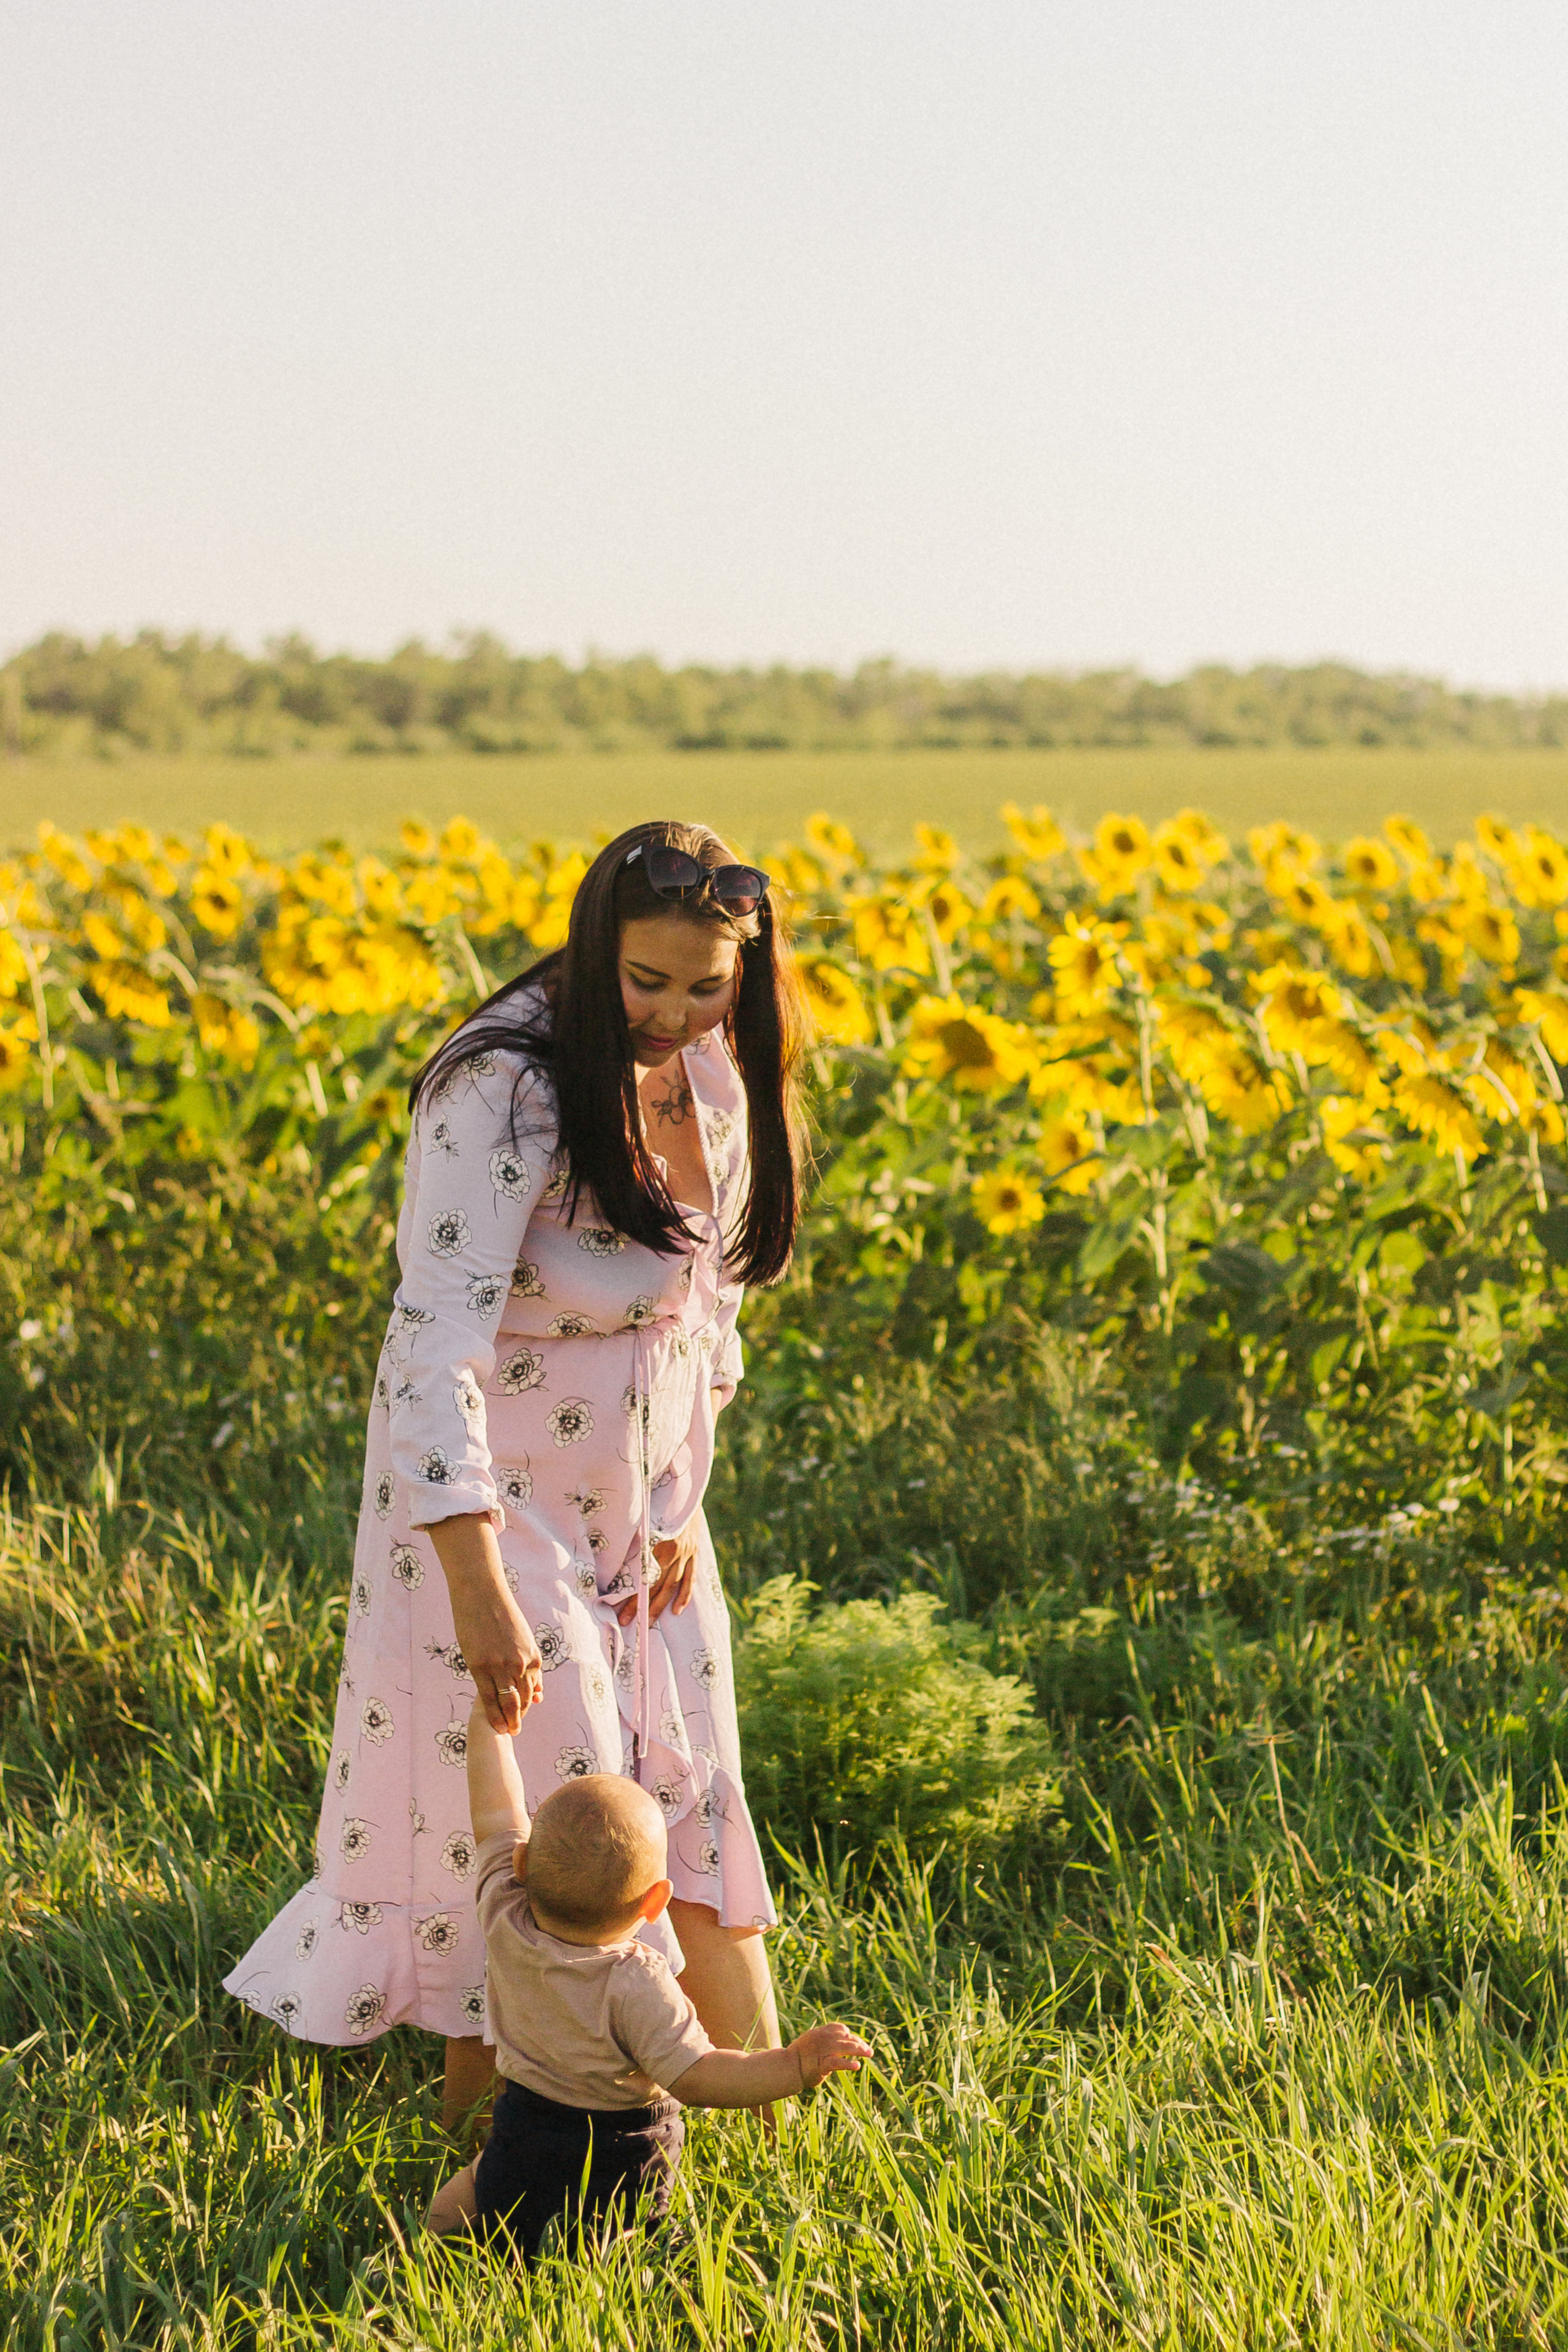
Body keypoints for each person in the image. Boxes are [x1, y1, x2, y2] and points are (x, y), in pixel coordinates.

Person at [224, 820, 808, 2131]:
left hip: (644, 1506)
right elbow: (433, 1339)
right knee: (558, 1812)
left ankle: (768, 2126)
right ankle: (507, 2138)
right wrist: (474, 1579)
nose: (670, 1012)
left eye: (703, 985)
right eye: (642, 982)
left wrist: (682, 1503)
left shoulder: (710, 1077)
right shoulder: (503, 1083)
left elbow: (702, 1320)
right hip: (502, 1502)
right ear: (594, 947)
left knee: (689, 1774)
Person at [427, 1700, 872, 2258]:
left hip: (522, 2132)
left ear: (521, 1865)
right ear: (656, 1900)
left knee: (462, 2203)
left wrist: (489, 1721)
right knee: (616, 2252)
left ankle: (416, 2258)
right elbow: (697, 2076)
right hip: (621, 2155)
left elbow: (495, 1812)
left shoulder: (505, 1915)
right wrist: (794, 2066)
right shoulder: (637, 1980)